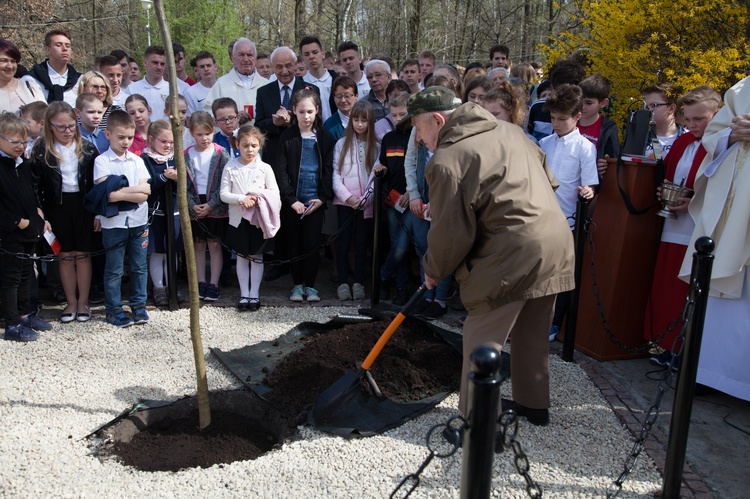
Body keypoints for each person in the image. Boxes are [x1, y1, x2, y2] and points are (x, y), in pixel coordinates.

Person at [406, 87, 574, 430]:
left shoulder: (448, 160)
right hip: (555, 242)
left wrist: (433, 272)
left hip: (510, 253)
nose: (420, 140)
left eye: (419, 131)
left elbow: (450, 233)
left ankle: (479, 427)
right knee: (532, 330)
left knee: (481, 335)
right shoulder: (513, 132)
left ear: (438, 121)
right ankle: (533, 405)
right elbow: (549, 182)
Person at [677, 77, 750, 401]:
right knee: (718, 287)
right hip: (731, 208)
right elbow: (713, 136)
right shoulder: (742, 88)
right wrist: (732, 134)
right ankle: (708, 373)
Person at [641, 86, 721, 367]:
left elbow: (723, 188)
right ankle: (666, 344)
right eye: (688, 119)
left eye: (699, 119)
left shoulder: (721, 144)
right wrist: (665, 192)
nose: (691, 125)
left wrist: (692, 203)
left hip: (699, 229)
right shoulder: (683, 142)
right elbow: (671, 173)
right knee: (667, 286)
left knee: (687, 289)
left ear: (717, 114)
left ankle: (685, 350)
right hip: (673, 225)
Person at [539, 84, 598, 341]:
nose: (556, 124)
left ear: (577, 117)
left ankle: (554, 323)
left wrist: (588, 191)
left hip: (567, 222)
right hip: (540, 219)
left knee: (560, 277)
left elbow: (590, 183)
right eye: (553, 118)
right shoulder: (544, 143)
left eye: (562, 119)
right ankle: (532, 319)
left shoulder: (585, 147)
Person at [32, 101, 98, 323]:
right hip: (57, 207)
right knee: (66, 255)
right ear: (49, 126)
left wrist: (97, 213)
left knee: (83, 255)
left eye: (71, 126)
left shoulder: (88, 148)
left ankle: (83, 303)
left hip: (83, 206)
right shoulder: (41, 151)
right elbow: (36, 187)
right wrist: (42, 215)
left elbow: (97, 184)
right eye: (60, 127)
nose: (67, 131)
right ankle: (70, 302)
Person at [92, 110, 152, 328]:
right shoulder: (102, 161)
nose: (126, 142)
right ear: (108, 134)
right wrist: (131, 192)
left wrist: (123, 192)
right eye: (121, 137)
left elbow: (145, 192)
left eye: (129, 137)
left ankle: (139, 306)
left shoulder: (137, 160)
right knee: (115, 269)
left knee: (139, 266)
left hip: (138, 221)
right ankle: (114, 309)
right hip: (114, 222)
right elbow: (107, 194)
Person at [274, 88, 334, 302]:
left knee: (312, 244)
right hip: (293, 203)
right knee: (294, 243)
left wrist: (323, 198)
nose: (306, 116)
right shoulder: (287, 138)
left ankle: (311, 285)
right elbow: (281, 171)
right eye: (301, 112)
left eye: (310, 111)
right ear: (294, 111)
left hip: (314, 202)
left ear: (317, 110)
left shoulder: (325, 137)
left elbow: (328, 169)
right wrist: (291, 200)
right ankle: (297, 285)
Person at [0, 113, 54, 341]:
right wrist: (18, 222)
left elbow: (31, 193)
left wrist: (39, 216)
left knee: (25, 275)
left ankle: (24, 314)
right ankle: (11, 323)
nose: (21, 146)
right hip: (10, 232)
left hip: (30, 229)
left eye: (24, 141)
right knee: (10, 278)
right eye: (15, 142)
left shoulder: (23, 164)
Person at [220, 125, 280, 311]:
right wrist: (241, 199)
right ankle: (244, 294)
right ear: (238, 144)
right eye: (245, 145)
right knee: (241, 256)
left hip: (258, 220)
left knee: (256, 256)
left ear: (260, 145)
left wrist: (258, 197)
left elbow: (274, 192)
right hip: (238, 219)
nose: (249, 149)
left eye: (254, 145)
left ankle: (254, 293)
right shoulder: (231, 166)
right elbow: (223, 194)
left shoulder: (265, 168)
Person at [332, 101, 379, 301]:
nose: (360, 124)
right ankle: (343, 282)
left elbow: (376, 178)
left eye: (364, 121)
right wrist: (348, 197)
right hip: (345, 203)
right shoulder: (341, 144)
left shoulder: (376, 145)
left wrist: (365, 199)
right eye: (356, 120)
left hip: (365, 205)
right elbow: (335, 174)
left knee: (361, 244)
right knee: (343, 243)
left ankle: (359, 282)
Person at [185, 111, 230, 301]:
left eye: (208, 133)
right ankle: (200, 281)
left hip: (215, 203)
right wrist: (193, 204)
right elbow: (183, 183)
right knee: (198, 243)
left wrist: (211, 205)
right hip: (195, 201)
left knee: (214, 244)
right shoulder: (186, 154)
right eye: (199, 134)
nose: (204, 138)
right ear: (192, 133)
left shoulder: (221, 153)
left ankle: (214, 283)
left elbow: (225, 181)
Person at [376, 92, 413, 306]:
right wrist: (380, 169)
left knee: (402, 246)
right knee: (394, 243)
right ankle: (400, 288)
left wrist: (412, 192)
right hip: (393, 200)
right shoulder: (389, 139)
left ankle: (382, 276)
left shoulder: (417, 138)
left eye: (403, 114)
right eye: (395, 115)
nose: (399, 119)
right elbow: (385, 166)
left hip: (412, 199)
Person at [255, 46, 319, 169]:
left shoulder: (310, 90)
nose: (284, 71)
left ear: (295, 65)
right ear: (273, 67)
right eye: (279, 67)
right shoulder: (263, 92)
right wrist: (274, 122)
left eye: (288, 65)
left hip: (302, 155)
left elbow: (316, 122)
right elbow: (258, 126)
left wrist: (293, 121)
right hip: (274, 158)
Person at [141, 120, 180, 306]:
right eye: (163, 141)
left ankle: (172, 285)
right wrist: (164, 177)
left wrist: (177, 178)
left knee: (172, 250)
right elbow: (147, 184)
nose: (168, 146)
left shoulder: (176, 157)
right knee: (157, 251)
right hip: (155, 212)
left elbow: (186, 183)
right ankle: (159, 287)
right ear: (151, 139)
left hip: (174, 212)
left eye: (171, 142)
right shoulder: (145, 159)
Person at [203, 38, 269, 123]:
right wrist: (232, 118)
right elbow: (208, 113)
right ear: (233, 58)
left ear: (255, 58)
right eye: (241, 55)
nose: (246, 59)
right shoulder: (221, 84)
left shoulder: (267, 84)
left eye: (250, 55)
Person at [127, 45, 190, 123]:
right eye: (155, 63)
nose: (159, 67)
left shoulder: (174, 89)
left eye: (162, 64)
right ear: (145, 62)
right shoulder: (131, 89)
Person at [22, 29, 80, 106]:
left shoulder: (80, 80)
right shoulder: (31, 80)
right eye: (58, 45)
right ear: (48, 49)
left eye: (68, 46)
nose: (65, 49)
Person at [578, 74, 619, 178]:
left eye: (588, 103)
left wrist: (606, 165)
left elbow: (614, 161)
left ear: (603, 103)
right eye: (580, 101)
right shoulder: (568, 121)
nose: (582, 106)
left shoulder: (608, 128)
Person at [0, 39, 45, 114]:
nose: (10, 66)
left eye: (13, 61)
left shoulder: (30, 88)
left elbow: (45, 117)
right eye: (4, 60)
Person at [300, 36, 338, 121]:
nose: (311, 57)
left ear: (323, 54)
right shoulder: (299, 84)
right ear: (303, 59)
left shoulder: (337, 80)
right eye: (307, 54)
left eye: (315, 52)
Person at [642, 83, 684, 159]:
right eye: (646, 106)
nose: (648, 110)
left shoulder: (689, 139)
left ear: (671, 108)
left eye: (654, 105)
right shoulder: (640, 140)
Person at [324, 76, 358, 141]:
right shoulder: (329, 126)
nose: (343, 100)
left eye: (347, 96)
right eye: (339, 96)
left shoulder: (365, 119)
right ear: (334, 98)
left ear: (356, 96)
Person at [184, 51, 218, 115]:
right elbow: (189, 120)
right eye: (202, 67)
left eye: (208, 65)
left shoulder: (225, 87)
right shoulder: (190, 93)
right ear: (197, 70)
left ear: (215, 67)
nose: (206, 69)